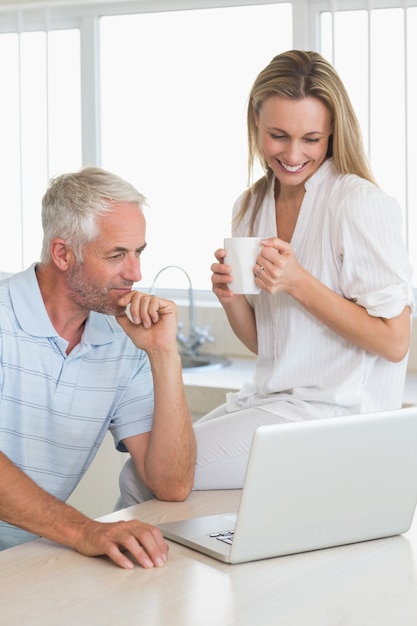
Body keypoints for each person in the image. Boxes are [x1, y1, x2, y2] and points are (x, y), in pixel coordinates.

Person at [118, 49, 415, 505]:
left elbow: (395, 344)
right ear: (255, 124)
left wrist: (299, 282)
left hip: (334, 416)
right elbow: (267, 345)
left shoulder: (358, 204)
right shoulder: (252, 206)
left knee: (147, 477)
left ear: (333, 132)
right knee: (146, 470)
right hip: (270, 401)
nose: (293, 155)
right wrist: (232, 298)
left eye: (311, 139)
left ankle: (125, 567)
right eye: (278, 136)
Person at [0, 166, 196, 569]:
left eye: (139, 251)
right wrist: (85, 531)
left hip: (23, 563)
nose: (136, 273)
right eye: (117, 254)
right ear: (62, 253)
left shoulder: (122, 342)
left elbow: (171, 485)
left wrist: (163, 355)